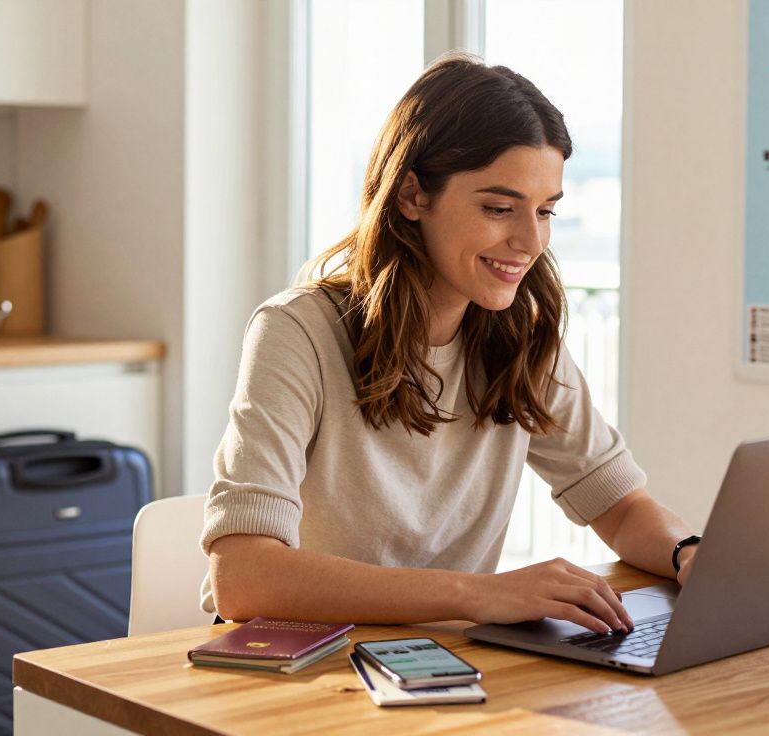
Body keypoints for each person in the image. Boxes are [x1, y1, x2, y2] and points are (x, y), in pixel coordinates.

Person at [200, 54, 698, 636]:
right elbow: (243, 578)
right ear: (412, 196)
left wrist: (691, 553)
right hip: (306, 666)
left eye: (545, 211)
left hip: (444, 663)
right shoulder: (298, 331)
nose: (530, 240)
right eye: (498, 208)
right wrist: (480, 594)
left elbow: (621, 506)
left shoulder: (520, 339)